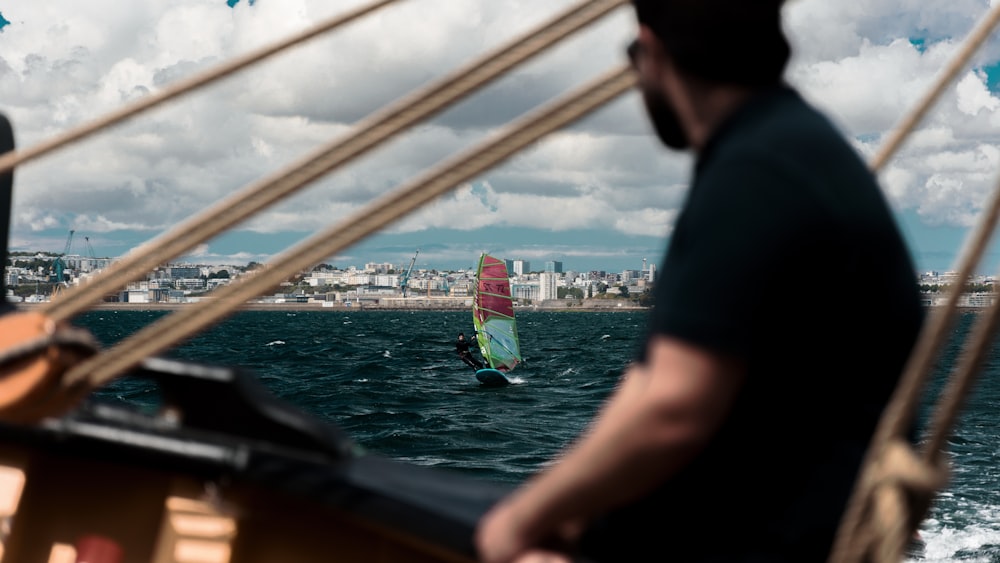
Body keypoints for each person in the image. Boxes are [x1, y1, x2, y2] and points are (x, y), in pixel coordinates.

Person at [475, 1, 925, 562]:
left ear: (651, 51)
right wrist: (568, 501)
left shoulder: (758, 174)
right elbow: (651, 383)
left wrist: (520, 518)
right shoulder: (787, 150)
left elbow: (673, 408)